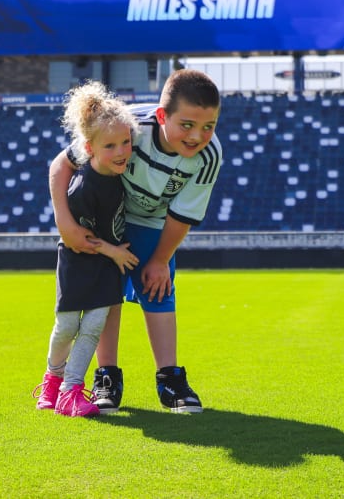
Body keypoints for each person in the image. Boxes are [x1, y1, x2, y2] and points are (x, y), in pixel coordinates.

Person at [49, 68, 222, 414]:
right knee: (105, 294)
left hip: (155, 224)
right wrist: (65, 223)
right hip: (107, 218)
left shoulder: (209, 157)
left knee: (159, 289)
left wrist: (159, 260)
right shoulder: (126, 126)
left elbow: (182, 215)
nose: (197, 136)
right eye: (186, 125)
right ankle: (106, 376)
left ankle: (169, 377)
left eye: (208, 126)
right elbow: (60, 165)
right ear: (161, 116)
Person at [34, 82, 139, 417]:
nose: (122, 150)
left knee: (93, 327)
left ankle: (71, 392)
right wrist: (115, 253)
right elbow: (82, 239)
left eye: (126, 141)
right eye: (110, 145)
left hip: (108, 266)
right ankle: (52, 379)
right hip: (80, 262)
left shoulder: (121, 174)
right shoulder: (83, 188)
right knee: (67, 326)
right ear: (89, 148)